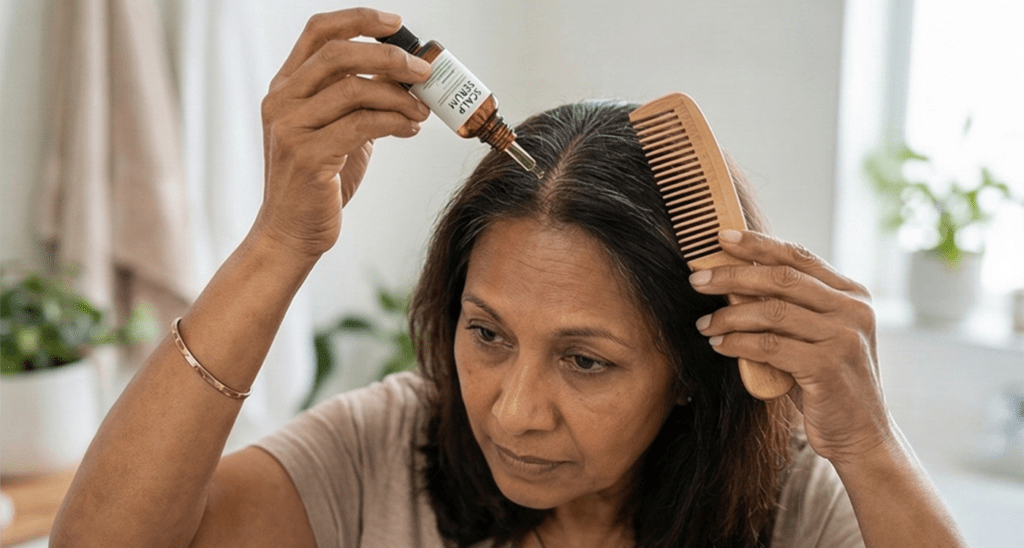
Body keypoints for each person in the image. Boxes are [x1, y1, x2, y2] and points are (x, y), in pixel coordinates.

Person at [52, 8, 968, 548]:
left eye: (587, 362)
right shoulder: (386, 453)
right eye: (487, 334)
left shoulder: (800, 507)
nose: (514, 412)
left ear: (695, 368)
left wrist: (874, 446)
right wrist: (278, 241)